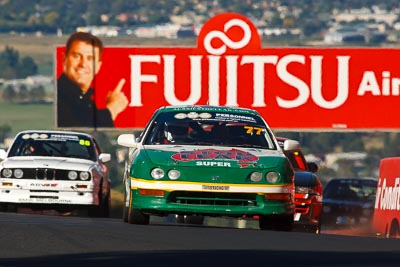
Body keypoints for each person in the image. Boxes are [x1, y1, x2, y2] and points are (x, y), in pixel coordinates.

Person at [57, 31, 128, 127]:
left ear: (98, 66)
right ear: (64, 59)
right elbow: (78, 128)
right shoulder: (59, 97)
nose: (83, 64)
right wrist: (112, 109)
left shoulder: (85, 100)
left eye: (90, 58)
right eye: (77, 56)